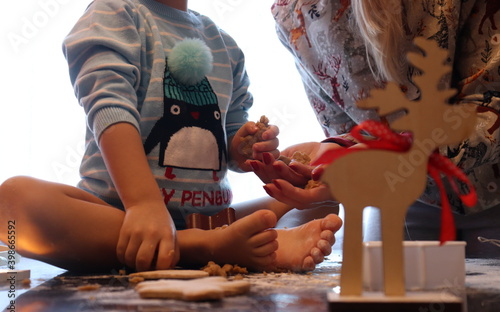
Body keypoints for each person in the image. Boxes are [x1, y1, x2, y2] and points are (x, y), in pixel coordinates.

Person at [0, 0, 342, 273]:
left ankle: (235, 241)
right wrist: (144, 204)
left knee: (323, 195)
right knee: (12, 203)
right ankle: (203, 247)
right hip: (118, 218)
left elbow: (229, 136)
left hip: (213, 220)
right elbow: (109, 109)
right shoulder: (113, 13)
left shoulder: (224, 43)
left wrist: (244, 146)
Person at [250, 0, 500, 257]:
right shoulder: (294, 17)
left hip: (494, 189)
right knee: (388, 291)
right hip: (403, 197)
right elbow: (350, 127)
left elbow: (489, 107)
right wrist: (336, 150)